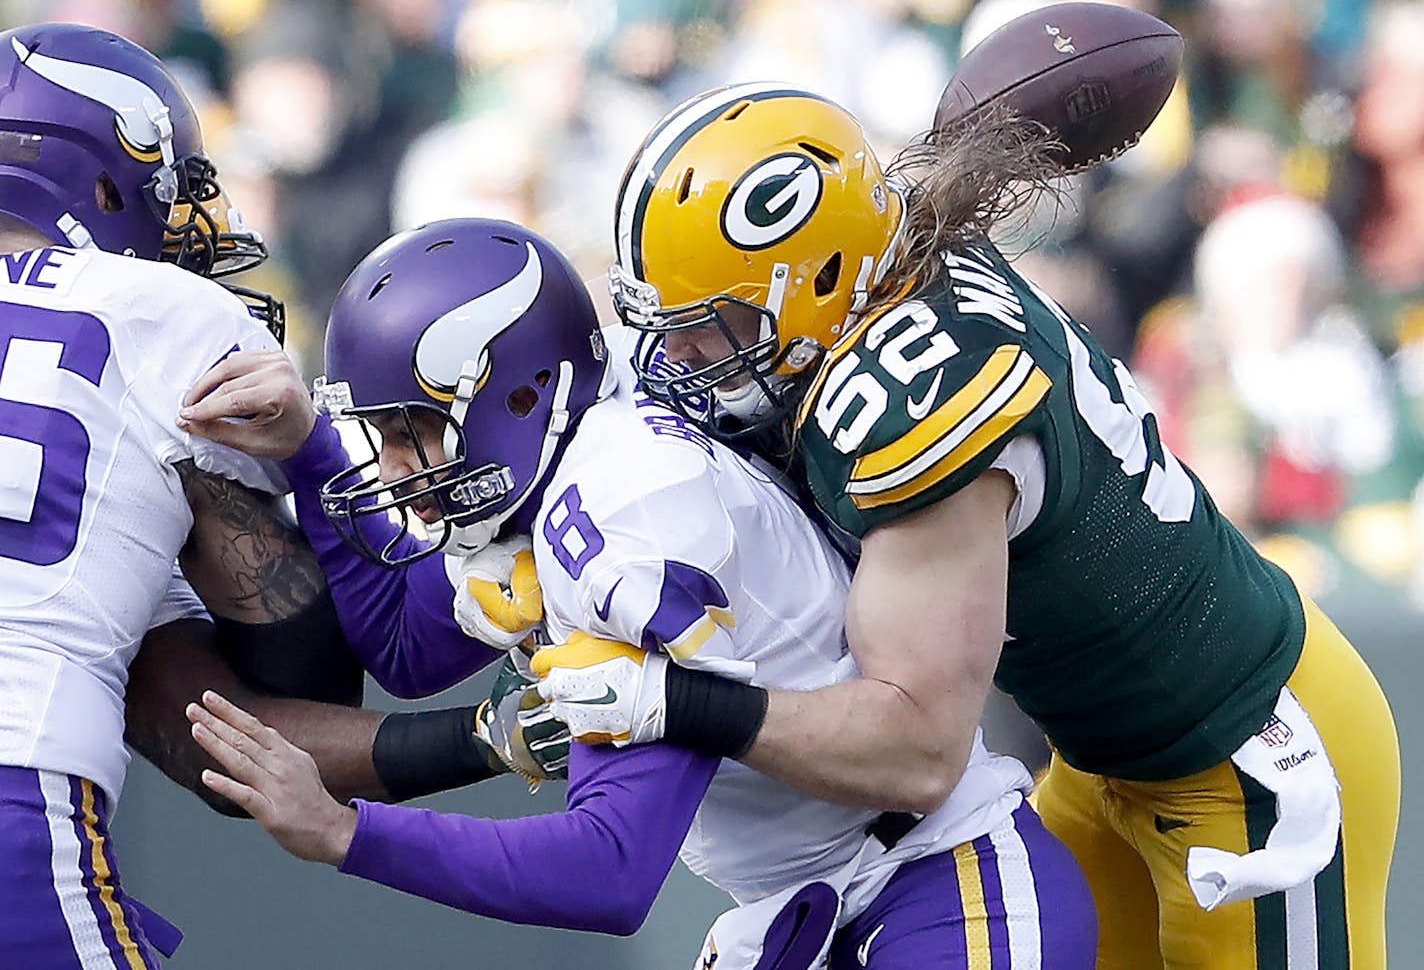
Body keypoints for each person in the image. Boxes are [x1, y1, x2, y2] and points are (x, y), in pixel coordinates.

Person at [531, 82, 1402, 968]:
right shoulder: (884, 262)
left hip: (1248, 758)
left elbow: (915, 750)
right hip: (1108, 764)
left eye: (715, 326)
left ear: (823, 278)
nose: (681, 358)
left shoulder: (918, 407)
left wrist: (671, 704)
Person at [178, 217, 1097, 968]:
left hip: (940, 884)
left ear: (522, 398)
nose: (394, 467)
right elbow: (410, 646)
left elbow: (610, 873)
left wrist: (345, 831)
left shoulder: (631, 509)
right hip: (815, 911)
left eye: (412, 431)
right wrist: (308, 447)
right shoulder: (564, 453)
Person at [0, 25, 555, 968]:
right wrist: (315, 452)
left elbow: (193, 718)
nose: (181, 227)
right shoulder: (169, 318)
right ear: (98, 183)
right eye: (167, 196)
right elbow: (290, 690)